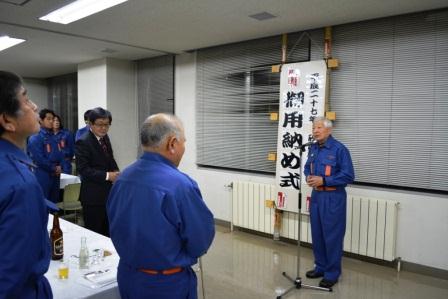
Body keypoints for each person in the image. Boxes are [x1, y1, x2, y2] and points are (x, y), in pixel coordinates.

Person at [107, 113, 215, 299]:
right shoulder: (180, 185)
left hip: (127, 275)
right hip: (165, 284)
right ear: (172, 143)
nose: (184, 148)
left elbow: (113, 222)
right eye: (184, 142)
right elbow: (200, 240)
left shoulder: (123, 178)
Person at [0, 70, 53, 298]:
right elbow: (14, 274)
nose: (34, 106)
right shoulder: (19, 183)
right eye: (26, 98)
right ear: (7, 121)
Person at [304, 116, 355, 288]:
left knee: (332, 237)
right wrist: (309, 177)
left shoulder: (340, 150)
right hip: (317, 197)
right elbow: (306, 167)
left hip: (333, 198)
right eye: (313, 128)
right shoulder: (313, 148)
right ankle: (320, 267)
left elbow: (349, 175)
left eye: (319, 128)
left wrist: (324, 181)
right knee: (317, 234)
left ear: (329, 130)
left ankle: (332, 273)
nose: (315, 131)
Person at [75, 107, 119, 236]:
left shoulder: (105, 138)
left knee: (108, 232)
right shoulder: (83, 142)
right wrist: (107, 176)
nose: (104, 128)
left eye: (106, 125)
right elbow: (83, 169)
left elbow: (110, 158)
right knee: (94, 234)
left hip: (108, 194)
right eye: (100, 125)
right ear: (90, 124)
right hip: (92, 197)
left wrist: (116, 172)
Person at [28, 108, 64, 203]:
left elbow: (60, 154)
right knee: (43, 202)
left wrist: (60, 166)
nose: (52, 121)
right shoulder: (35, 137)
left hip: (56, 174)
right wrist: (54, 168)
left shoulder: (55, 137)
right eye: (48, 119)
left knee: (54, 202)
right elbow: (39, 159)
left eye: (53, 119)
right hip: (43, 173)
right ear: (41, 120)